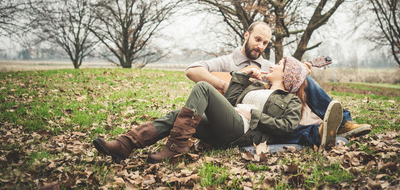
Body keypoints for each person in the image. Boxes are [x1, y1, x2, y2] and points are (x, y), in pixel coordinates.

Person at [93, 57, 343, 163]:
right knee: (175, 116)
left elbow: (287, 127)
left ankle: (176, 147)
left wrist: (254, 114)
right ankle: (126, 144)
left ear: (286, 75)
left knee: (203, 87)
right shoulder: (257, 85)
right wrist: (243, 77)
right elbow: (231, 100)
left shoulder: (289, 101)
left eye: (279, 64)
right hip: (228, 124)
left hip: (244, 131)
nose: (273, 65)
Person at [185, 21, 372, 139]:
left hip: (261, 115)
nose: (260, 46)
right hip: (230, 113)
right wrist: (226, 85)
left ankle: (342, 122)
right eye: (257, 39)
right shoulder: (226, 62)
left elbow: (281, 86)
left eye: (265, 43)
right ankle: (324, 129)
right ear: (246, 35)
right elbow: (192, 71)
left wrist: (301, 72)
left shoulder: (268, 67)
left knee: (308, 84)